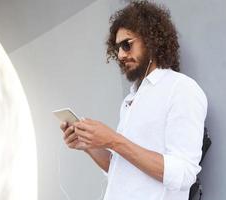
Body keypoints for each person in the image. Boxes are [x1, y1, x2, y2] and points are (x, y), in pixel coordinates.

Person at [60, 1, 208, 199]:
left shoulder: (181, 89)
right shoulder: (131, 99)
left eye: (126, 44)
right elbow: (120, 169)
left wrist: (113, 140)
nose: (121, 55)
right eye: (117, 48)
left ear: (151, 39)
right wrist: (89, 145)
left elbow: (183, 174)